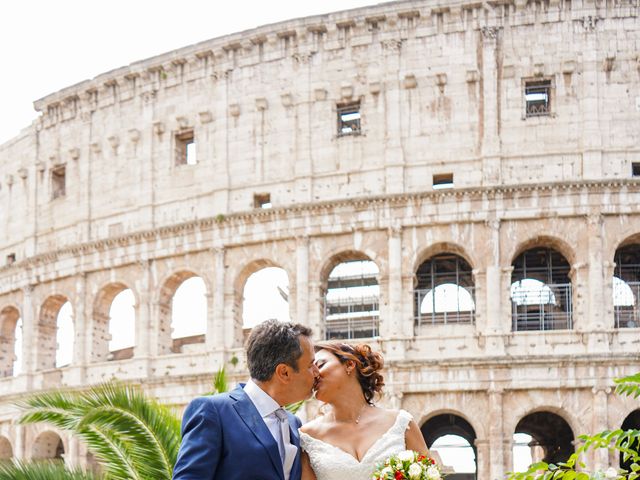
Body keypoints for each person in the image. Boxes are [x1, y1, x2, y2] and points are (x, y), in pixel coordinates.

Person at [172, 320, 319, 480]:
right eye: (311, 365)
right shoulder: (213, 412)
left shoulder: (294, 423)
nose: (318, 372)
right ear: (284, 372)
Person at [300, 343, 430, 480]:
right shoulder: (308, 436)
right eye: (309, 368)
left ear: (350, 364)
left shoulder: (401, 424)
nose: (314, 374)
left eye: (320, 365)